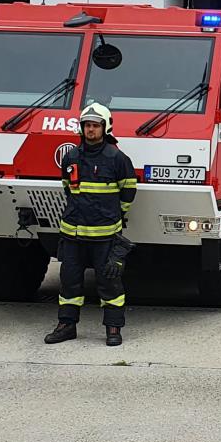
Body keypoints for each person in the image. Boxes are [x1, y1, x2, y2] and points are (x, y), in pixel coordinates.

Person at [44, 102, 139, 347]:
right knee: (69, 281)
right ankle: (66, 325)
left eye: (95, 126)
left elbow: (128, 191)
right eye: (87, 125)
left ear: (105, 128)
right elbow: (68, 187)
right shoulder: (71, 156)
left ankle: (113, 328)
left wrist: (114, 216)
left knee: (109, 282)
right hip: (73, 234)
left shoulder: (117, 158)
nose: (91, 130)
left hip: (105, 235)